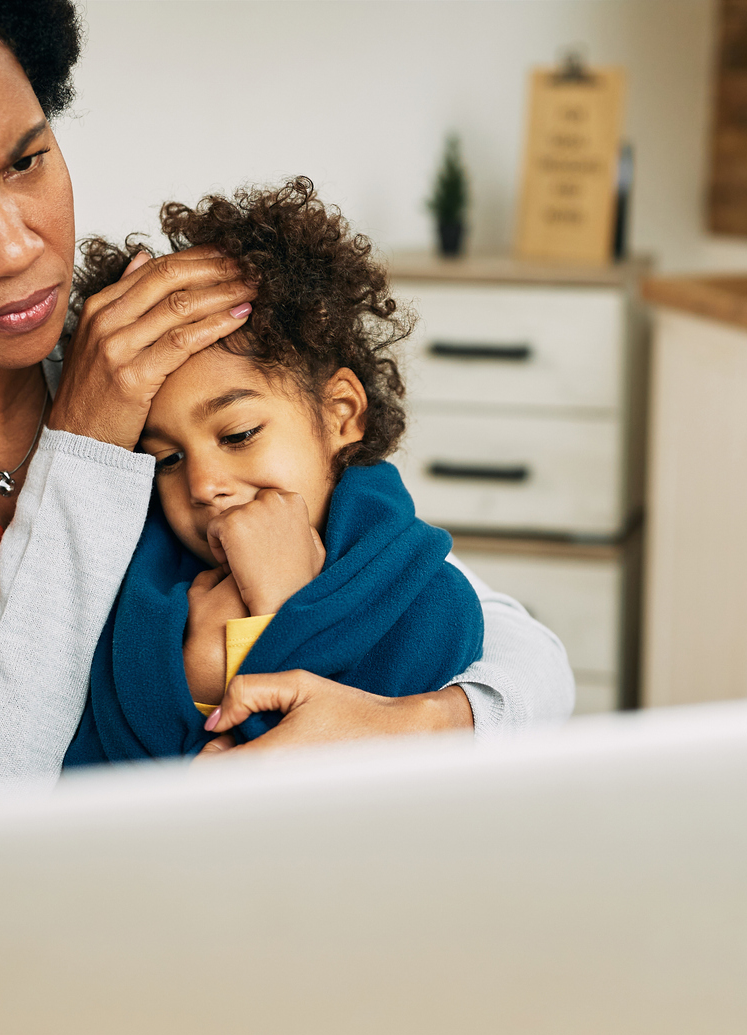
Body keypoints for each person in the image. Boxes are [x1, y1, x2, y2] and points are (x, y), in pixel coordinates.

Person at [0, 0, 574, 1008]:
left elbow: (520, 656)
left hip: (214, 961)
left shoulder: (157, 350)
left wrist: (424, 722)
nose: (15, 247)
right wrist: (85, 449)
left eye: (27, 160)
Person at [64, 179, 484, 763]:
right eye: (167, 459)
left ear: (341, 413)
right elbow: (91, 776)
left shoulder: (426, 595)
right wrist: (186, 686)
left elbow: (337, 796)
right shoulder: (134, 587)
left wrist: (273, 616)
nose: (204, 485)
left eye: (238, 435)